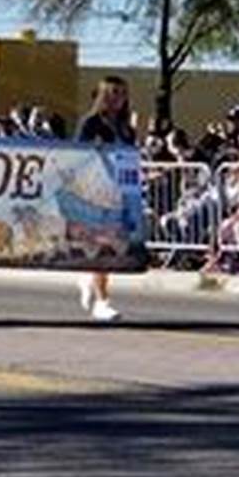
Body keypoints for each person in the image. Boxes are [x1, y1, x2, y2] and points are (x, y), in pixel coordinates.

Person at [75, 75, 136, 322]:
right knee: (102, 245)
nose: (117, 99)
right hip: (95, 190)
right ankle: (102, 301)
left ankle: (90, 277)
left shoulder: (125, 127)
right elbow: (75, 152)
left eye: (121, 93)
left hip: (119, 191)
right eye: (112, 93)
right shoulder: (90, 123)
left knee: (109, 246)